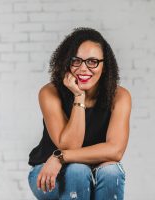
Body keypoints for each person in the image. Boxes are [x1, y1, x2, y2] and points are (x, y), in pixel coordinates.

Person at [27, 27, 131, 200]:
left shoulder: (120, 96)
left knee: (112, 171)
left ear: (104, 66)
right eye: (76, 61)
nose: (83, 69)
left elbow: (115, 151)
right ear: (67, 62)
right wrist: (78, 96)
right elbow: (71, 145)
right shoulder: (49, 93)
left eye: (92, 62)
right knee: (77, 170)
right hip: (49, 173)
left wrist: (60, 156)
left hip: (89, 168)